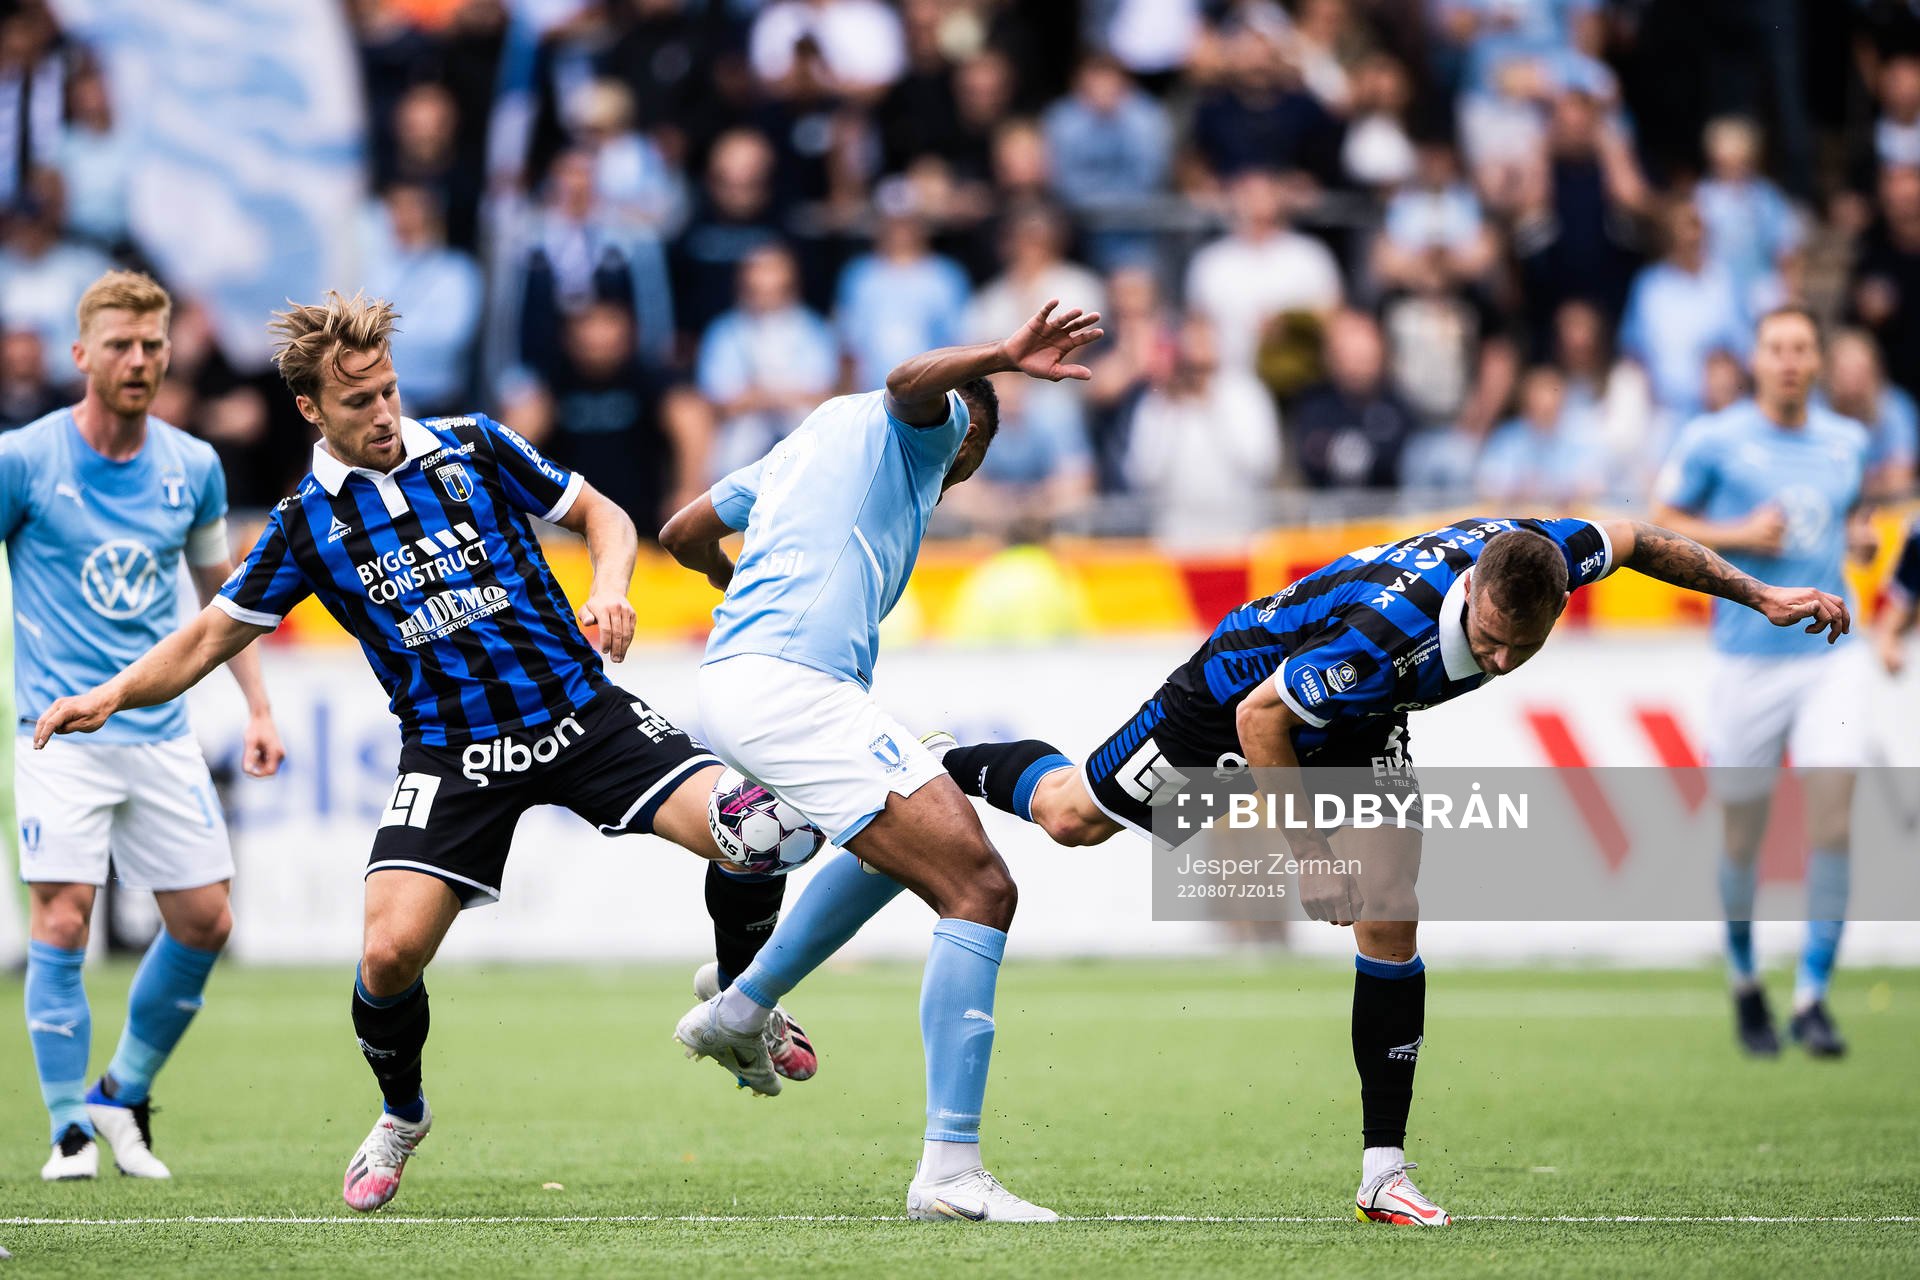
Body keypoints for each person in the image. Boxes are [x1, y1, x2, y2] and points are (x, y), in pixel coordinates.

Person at [32, 292, 821, 1212]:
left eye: (389, 391)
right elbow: (208, 637)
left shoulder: (474, 444)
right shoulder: (302, 525)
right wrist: (112, 694)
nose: (383, 413)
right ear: (310, 410)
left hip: (581, 714)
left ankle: (740, 998)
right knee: (386, 958)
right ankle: (402, 1114)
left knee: (761, 832)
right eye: (357, 401)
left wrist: (611, 588)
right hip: (454, 755)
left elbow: (603, 515)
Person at [935, 514, 1848, 1227]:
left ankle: (1384, 1173)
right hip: (1238, 694)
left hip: (1366, 715)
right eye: (1489, 641)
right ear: (1471, 592)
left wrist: (1759, 594)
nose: (1499, 661)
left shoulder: (1548, 557)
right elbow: (1263, 723)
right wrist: (1309, 858)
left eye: (1520, 649)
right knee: (1072, 820)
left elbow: (1640, 540)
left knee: (1391, 904)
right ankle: (937, 760)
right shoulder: (1381, 635)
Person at [658, 300, 1104, 1223]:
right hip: (790, 689)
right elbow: (908, 382)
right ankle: (949, 1173)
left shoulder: (805, 444)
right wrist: (1001, 356)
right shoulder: (925, 429)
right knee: (980, 887)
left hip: (743, 680)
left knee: (908, 835)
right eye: (970, 452)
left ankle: (741, 1008)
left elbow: (683, 533)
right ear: (968, 433)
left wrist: (736, 589)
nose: (961, 471)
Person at [5, 271, 284, 1181]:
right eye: (119, 344)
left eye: (152, 345)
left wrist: (258, 704)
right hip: (56, 732)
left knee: (206, 921)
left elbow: (222, 602)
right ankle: (66, 1132)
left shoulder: (192, 466)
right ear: (80, 355)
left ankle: (118, 1093)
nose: (138, 360)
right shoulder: (23, 461)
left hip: (159, 732)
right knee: (62, 916)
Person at [1650, 306, 1875, 1060]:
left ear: (1817, 361)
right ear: (1756, 359)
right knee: (1742, 836)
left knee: (1832, 819)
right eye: (1776, 347)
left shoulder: (1847, 441)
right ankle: (1745, 978)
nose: (1788, 360)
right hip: (1746, 659)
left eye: (1801, 348)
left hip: (1830, 657)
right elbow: (1660, 521)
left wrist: (1856, 538)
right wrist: (1741, 534)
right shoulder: (1714, 438)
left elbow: (1844, 517)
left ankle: (1812, 996)